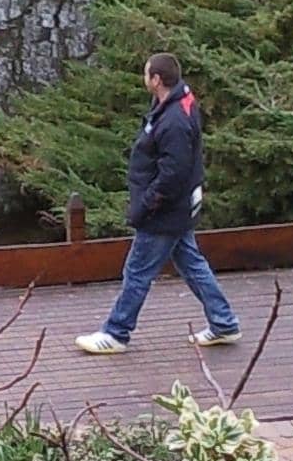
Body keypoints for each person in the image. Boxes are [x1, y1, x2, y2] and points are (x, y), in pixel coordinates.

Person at [76, 52, 242, 354]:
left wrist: (147, 204)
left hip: (164, 211)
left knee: (137, 271)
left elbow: (173, 174)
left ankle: (116, 333)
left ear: (156, 80)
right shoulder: (172, 105)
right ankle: (224, 322)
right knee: (192, 265)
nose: (143, 78)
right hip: (176, 210)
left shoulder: (175, 120)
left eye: (146, 73)